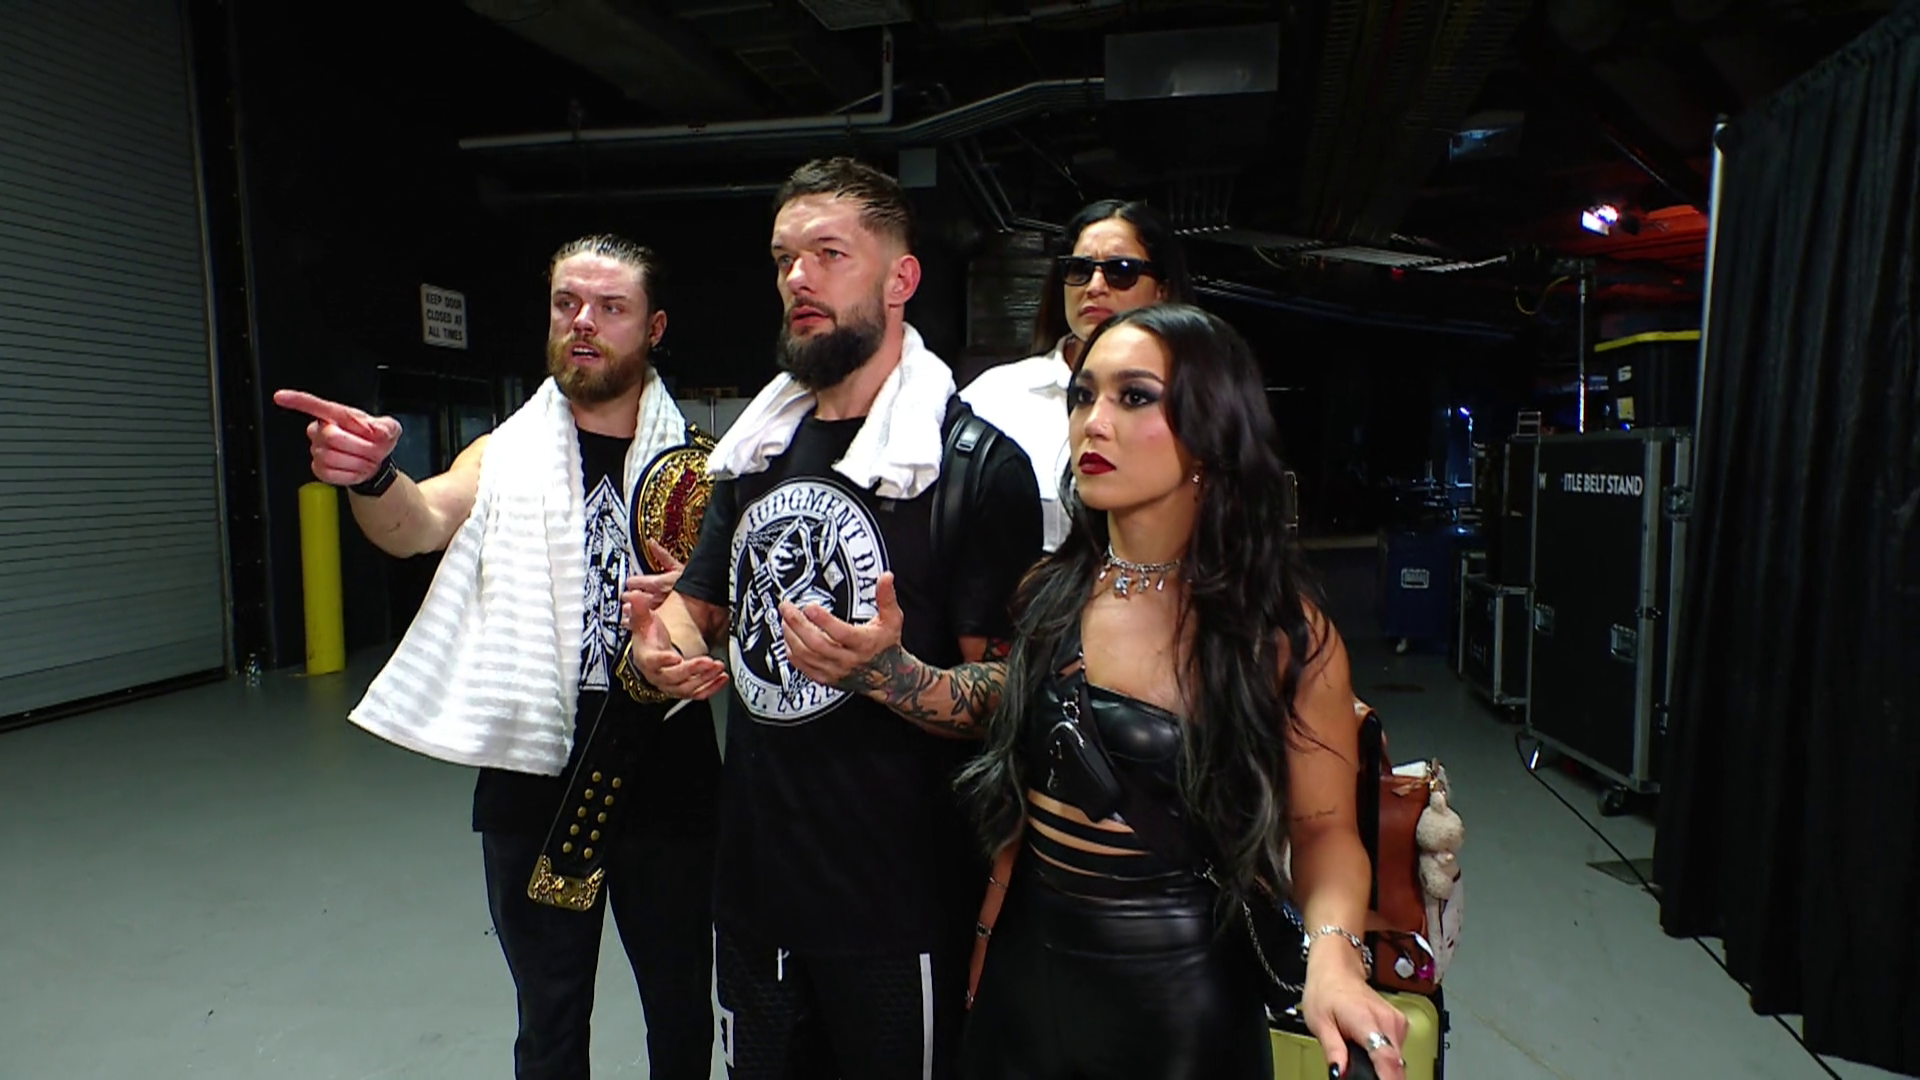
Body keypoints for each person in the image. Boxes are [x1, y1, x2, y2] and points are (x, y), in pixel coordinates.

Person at [810, 304, 1415, 1079]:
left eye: (1134, 397)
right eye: (1083, 395)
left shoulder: (1277, 633)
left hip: (1177, 1007)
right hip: (1021, 991)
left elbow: (1324, 832)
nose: (1093, 422)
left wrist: (1334, 959)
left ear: (1213, 426)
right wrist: (887, 672)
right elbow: (1016, 712)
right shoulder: (1050, 591)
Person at [624, 157, 1043, 1080]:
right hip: (757, 892)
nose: (798, 279)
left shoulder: (973, 467)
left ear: (901, 278)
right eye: (784, 259)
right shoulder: (755, 452)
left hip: (898, 904)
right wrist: (665, 651)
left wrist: (890, 674)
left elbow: (1016, 693)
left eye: (829, 254)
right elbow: (701, 606)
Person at [274, 235, 720, 1080]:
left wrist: (684, 645)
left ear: (654, 328)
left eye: (611, 308)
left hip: (666, 767)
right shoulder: (505, 453)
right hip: (532, 773)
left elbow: (720, 610)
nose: (583, 322)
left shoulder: (697, 469)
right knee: (548, 1019)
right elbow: (419, 522)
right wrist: (372, 477)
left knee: (681, 1008)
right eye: (566, 304)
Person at [960, 199, 1193, 552]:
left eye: (1121, 270)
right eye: (1079, 269)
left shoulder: (1198, 398)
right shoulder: (993, 397)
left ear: (1162, 290)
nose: (1095, 286)